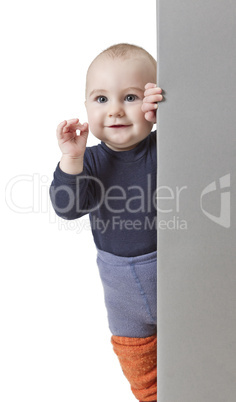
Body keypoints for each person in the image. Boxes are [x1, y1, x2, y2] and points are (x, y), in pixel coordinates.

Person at [49, 43, 163, 402]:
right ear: (86, 107)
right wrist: (71, 158)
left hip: (171, 272)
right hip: (122, 290)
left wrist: (173, 113)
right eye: (101, 99)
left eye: (130, 97)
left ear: (151, 104)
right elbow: (67, 207)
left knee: (197, 353)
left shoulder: (166, 146)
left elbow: (204, 135)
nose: (114, 110)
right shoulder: (91, 161)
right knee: (140, 369)